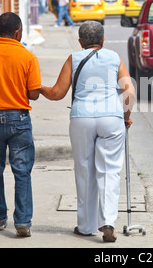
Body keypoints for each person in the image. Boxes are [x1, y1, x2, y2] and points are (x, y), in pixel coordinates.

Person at [40, 21, 136, 242]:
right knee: (110, 171)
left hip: (81, 118)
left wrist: (37, 89)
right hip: (111, 118)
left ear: (80, 41)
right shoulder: (113, 58)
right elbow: (129, 90)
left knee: (84, 170)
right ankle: (109, 222)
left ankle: (85, 226)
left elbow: (57, 93)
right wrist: (126, 117)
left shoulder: (73, 59)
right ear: (103, 41)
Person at [0, 12, 41, 237]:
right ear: (18, 32)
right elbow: (33, 94)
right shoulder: (28, 57)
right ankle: (22, 222)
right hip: (19, 120)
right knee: (22, 171)